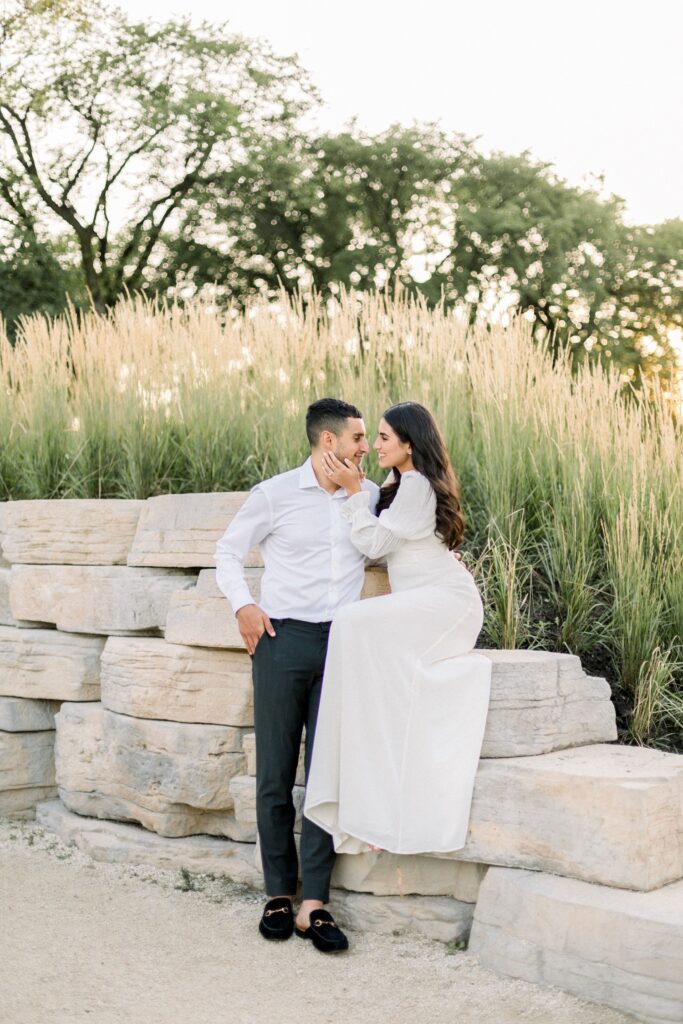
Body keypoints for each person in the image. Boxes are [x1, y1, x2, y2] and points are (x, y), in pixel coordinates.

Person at [214, 398, 380, 954]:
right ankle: (278, 894)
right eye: (358, 438)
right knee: (275, 773)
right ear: (328, 442)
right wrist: (243, 606)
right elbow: (227, 552)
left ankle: (316, 904)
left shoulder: (369, 495)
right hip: (281, 642)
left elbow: (391, 546)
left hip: (344, 644)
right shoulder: (274, 494)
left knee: (326, 776)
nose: (367, 448)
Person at [303, 401, 492, 856]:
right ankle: (366, 796)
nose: (375, 445)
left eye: (384, 437)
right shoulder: (396, 484)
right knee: (367, 657)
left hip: (448, 603)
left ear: (410, 444)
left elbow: (373, 541)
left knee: (350, 623)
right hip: (421, 600)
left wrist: (351, 492)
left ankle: (363, 796)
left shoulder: (418, 486)